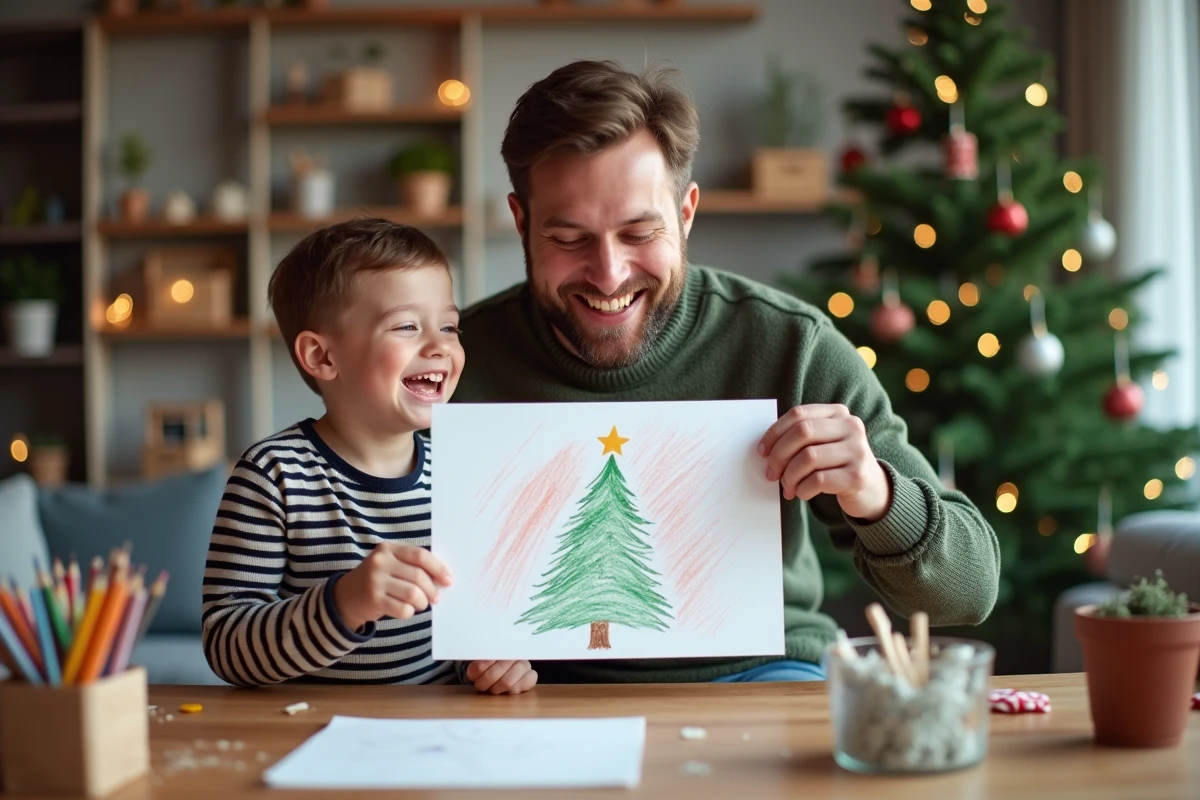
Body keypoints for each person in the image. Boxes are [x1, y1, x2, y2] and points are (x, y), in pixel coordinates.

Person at [451, 60, 1001, 684]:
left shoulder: (788, 343)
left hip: (765, 671)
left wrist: (876, 493)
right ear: (522, 222)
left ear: (685, 214)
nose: (608, 274)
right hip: (534, 691)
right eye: (569, 238)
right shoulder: (451, 362)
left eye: (639, 232)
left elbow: (969, 593)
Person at [201, 219, 537, 695]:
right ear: (321, 357)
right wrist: (343, 604)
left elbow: (466, 621)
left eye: (448, 326)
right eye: (406, 326)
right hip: (305, 733)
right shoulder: (273, 475)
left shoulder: (458, 472)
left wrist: (487, 663)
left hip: (436, 730)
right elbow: (226, 645)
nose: (440, 345)